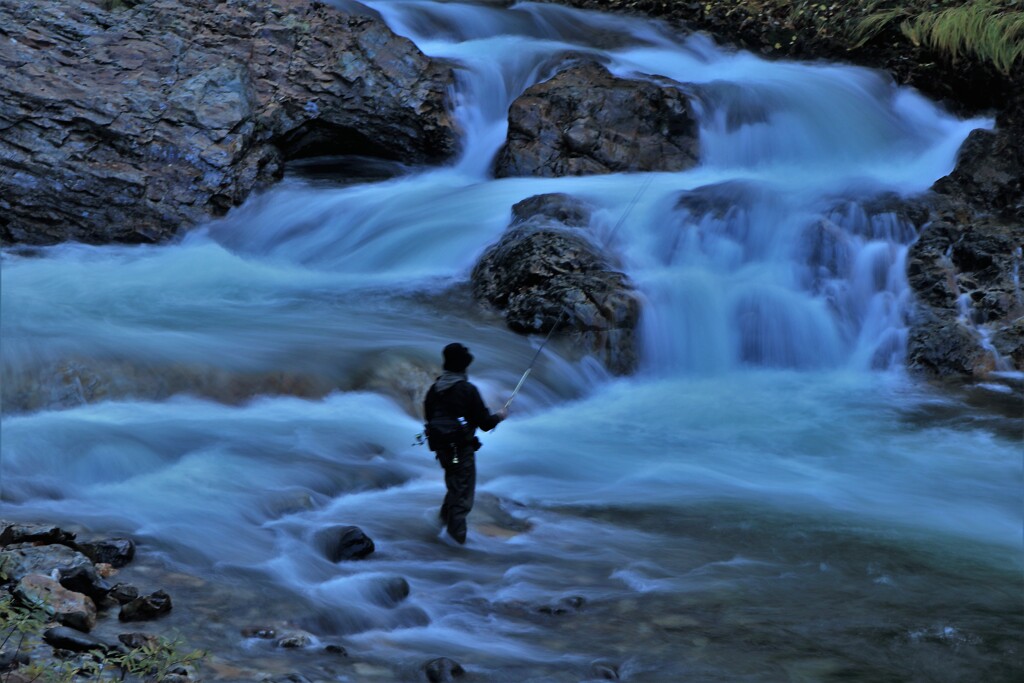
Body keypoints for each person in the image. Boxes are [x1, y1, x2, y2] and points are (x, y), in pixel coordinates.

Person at [423, 342, 506, 544]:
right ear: (464, 366)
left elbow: (428, 418)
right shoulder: (467, 390)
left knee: (454, 486)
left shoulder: (434, 390)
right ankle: (455, 542)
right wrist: (500, 416)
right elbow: (485, 424)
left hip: (441, 448)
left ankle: (441, 528)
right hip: (461, 449)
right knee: (462, 496)